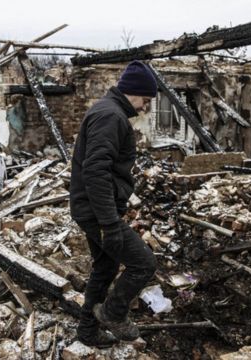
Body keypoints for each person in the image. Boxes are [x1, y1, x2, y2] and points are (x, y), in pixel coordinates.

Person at [69, 60, 158, 347]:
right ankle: (113, 314)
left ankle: (87, 332)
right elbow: (95, 171)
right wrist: (109, 223)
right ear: (133, 91)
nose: (145, 107)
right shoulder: (111, 116)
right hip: (96, 212)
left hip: (93, 208)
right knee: (144, 264)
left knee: (104, 269)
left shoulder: (109, 111)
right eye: (146, 100)